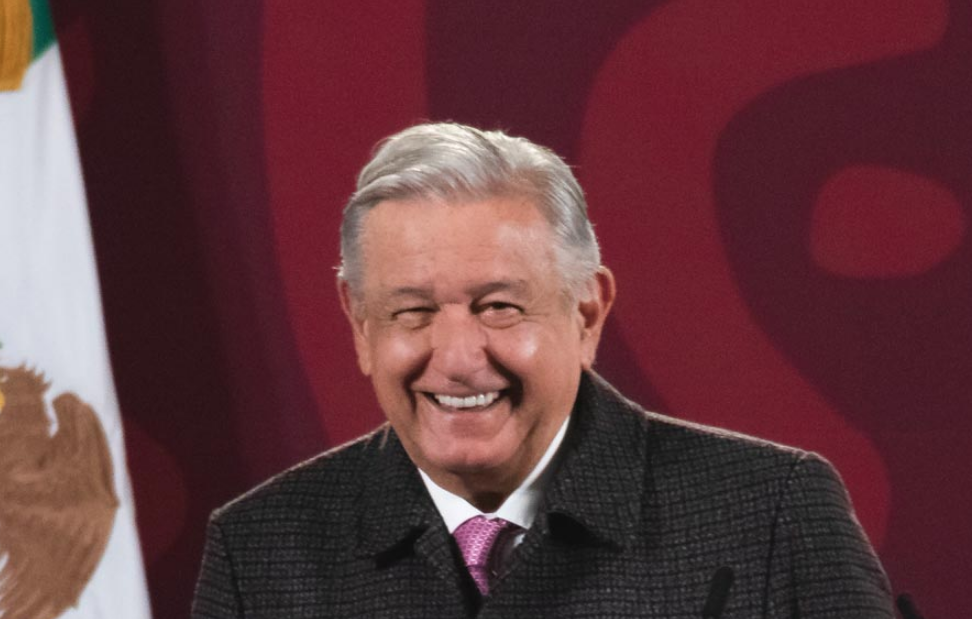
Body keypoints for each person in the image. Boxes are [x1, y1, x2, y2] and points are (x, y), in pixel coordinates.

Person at [192, 122, 894, 618]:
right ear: (359, 323)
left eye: (499, 307)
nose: (458, 358)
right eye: (412, 311)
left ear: (587, 312)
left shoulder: (770, 513)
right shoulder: (259, 552)